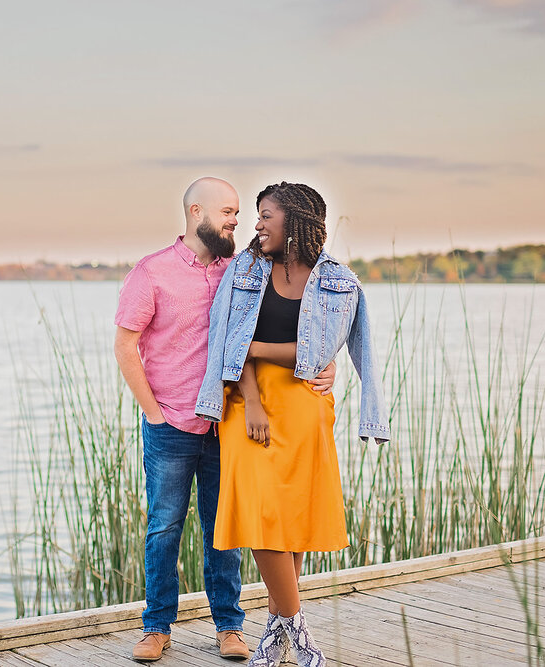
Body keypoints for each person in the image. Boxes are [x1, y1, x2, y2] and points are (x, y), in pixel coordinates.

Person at [114, 177, 338, 662]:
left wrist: (326, 360)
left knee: (226, 530)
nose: (239, 222)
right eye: (229, 213)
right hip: (171, 421)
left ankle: (230, 628)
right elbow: (125, 346)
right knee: (164, 528)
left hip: (226, 423)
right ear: (196, 212)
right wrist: (153, 413)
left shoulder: (242, 270)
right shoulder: (150, 273)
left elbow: (288, 322)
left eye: (242, 213)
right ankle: (157, 629)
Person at [195, 182, 390, 667]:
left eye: (265, 215)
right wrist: (253, 400)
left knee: (293, 523)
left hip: (305, 408)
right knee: (262, 515)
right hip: (248, 404)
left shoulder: (338, 282)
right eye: (256, 215)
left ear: (295, 222)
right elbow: (226, 342)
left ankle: (276, 634)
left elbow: (317, 354)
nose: (256, 224)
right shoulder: (243, 270)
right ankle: (299, 631)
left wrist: (257, 348)